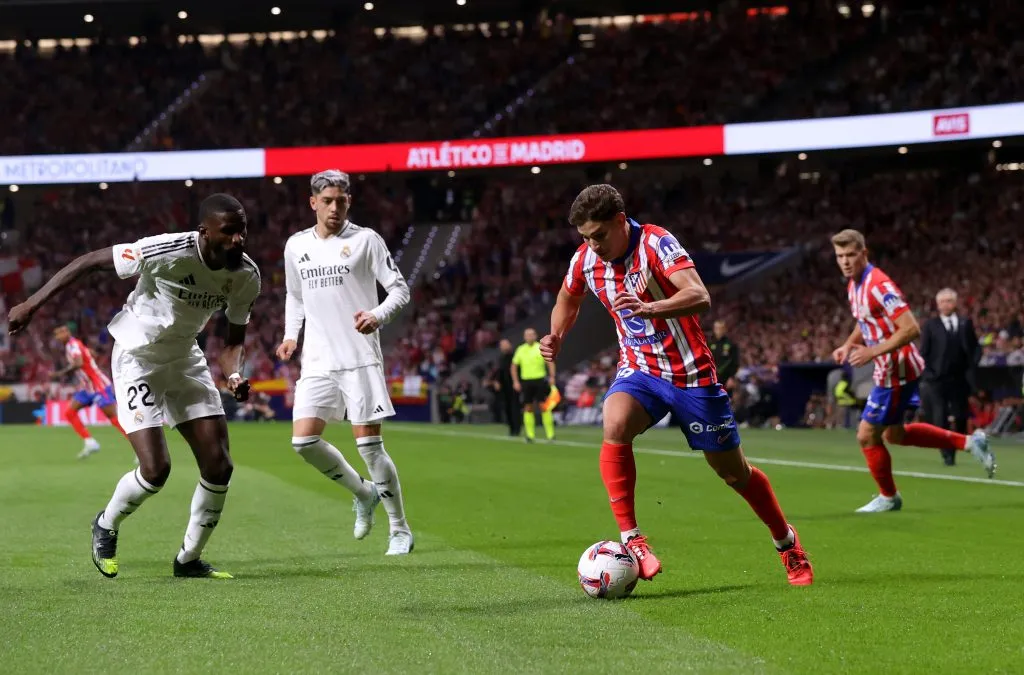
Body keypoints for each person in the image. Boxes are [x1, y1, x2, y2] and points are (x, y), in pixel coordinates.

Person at [541, 184, 812, 586]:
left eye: (599, 235)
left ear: (620, 222)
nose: (592, 245)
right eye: (585, 238)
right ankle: (633, 540)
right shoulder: (585, 260)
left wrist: (650, 307)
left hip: (691, 377)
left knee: (734, 474)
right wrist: (557, 335)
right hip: (640, 371)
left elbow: (699, 295)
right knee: (613, 424)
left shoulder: (656, 243)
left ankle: (786, 542)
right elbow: (568, 297)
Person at [8, 193, 260, 579]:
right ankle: (106, 524)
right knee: (156, 469)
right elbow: (90, 262)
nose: (238, 240)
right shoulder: (167, 249)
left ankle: (189, 560)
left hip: (184, 358)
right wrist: (31, 304)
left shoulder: (245, 275)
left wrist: (235, 374)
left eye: (242, 231)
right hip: (137, 357)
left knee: (219, 464)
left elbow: (232, 342)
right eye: (229, 232)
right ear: (204, 232)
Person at [276, 169, 414, 556]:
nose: (335, 208)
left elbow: (399, 290)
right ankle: (363, 492)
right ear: (313, 203)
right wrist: (291, 335)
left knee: (370, 448)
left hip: (359, 359)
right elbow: (294, 295)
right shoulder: (295, 246)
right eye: (328, 201)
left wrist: (377, 315)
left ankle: (399, 529)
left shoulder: (366, 240)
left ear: (349, 202)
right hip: (317, 359)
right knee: (303, 441)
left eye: (341, 200)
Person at [830, 229, 996, 513]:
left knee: (866, 435)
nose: (845, 261)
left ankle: (889, 497)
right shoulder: (853, 284)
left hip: (897, 368)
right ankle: (970, 442)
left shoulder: (878, 285)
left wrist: (872, 351)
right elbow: (865, 319)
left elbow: (911, 328)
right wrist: (849, 344)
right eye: (840, 256)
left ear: (864, 254)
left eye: (851, 255)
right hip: (890, 365)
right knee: (893, 435)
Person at [919, 288, 980, 466]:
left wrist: (973, 364)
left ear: (955, 303)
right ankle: (947, 453)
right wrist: (928, 373)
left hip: (960, 378)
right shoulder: (931, 325)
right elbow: (924, 351)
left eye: (949, 301)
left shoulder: (965, 322)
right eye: (943, 301)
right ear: (938, 305)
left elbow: (975, 346)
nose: (946, 304)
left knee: (961, 416)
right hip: (937, 380)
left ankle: (957, 445)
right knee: (940, 417)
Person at [51, 324, 129, 458]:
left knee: (114, 418)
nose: (63, 334)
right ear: (57, 337)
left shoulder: (73, 345)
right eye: (59, 333)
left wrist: (60, 373)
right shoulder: (75, 344)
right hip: (87, 388)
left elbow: (79, 363)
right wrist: (90, 359)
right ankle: (90, 442)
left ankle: (140, 447)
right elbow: (92, 354)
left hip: (98, 386)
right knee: (70, 413)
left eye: (64, 331)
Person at [511, 328, 556, 442]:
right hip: (526, 381)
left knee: (544, 406)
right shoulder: (520, 349)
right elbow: (514, 367)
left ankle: (550, 434)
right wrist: (515, 381)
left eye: (531, 335)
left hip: (540, 380)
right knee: (528, 407)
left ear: (535, 336)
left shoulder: (540, 347)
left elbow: (550, 362)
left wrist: (552, 377)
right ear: (524, 337)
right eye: (527, 335)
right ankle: (530, 435)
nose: (529, 337)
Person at [708, 320, 740, 396]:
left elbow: (735, 362)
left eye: (720, 328)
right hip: (712, 378)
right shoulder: (709, 343)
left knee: (727, 400)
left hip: (726, 378)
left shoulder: (731, 344)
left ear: (725, 329)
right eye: (716, 328)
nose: (718, 330)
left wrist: (732, 378)